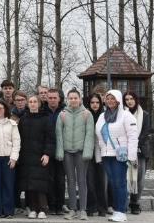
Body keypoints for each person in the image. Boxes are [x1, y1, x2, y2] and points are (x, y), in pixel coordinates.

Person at [95, 90, 139, 223]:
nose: (110, 101)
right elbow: (98, 137)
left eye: (112, 98)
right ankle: (117, 210)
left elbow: (133, 137)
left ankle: (121, 211)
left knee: (120, 183)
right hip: (106, 154)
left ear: (118, 100)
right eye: (107, 98)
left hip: (120, 155)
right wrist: (99, 156)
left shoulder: (126, 115)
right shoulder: (102, 116)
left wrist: (131, 156)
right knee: (113, 183)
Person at [56, 89, 94, 220]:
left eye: (75, 98)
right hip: (67, 152)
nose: (73, 100)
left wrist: (87, 152)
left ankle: (83, 210)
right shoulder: (62, 115)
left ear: (80, 99)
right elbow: (59, 135)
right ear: (67, 100)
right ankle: (72, 209)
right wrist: (60, 151)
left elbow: (90, 135)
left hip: (81, 152)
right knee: (70, 181)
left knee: (82, 180)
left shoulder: (87, 114)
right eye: (70, 98)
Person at [18, 95, 54, 219]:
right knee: (30, 184)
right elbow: (19, 138)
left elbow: (50, 139)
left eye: (35, 102)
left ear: (39, 104)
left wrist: (47, 154)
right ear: (28, 104)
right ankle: (33, 209)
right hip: (26, 156)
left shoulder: (45, 119)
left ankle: (43, 209)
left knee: (40, 184)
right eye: (30, 102)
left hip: (40, 156)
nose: (32, 104)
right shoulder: (23, 119)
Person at [124, 91, 150, 215]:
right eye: (127, 99)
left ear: (135, 99)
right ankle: (123, 203)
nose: (129, 101)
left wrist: (135, 145)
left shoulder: (144, 114)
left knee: (138, 179)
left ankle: (135, 203)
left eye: (131, 98)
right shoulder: (122, 114)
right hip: (125, 151)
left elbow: (145, 132)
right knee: (126, 178)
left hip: (139, 151)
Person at [85, 93, 108, 217]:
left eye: (97, 102)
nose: (95, 105)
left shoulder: (105, 116)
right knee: (90, 182)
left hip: (102, 152)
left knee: (101, 181)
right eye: (92, 102)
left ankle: (102, 208)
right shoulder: (85, 115)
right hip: (88, 152)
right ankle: (91, 207)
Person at [46, 88, 66, 215]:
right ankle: (51, 206)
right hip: (48, 150)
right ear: (47, 99)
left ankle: (60, 205)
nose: (52, 100)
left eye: (55, 98)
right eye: (50, 98)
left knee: (60, 179)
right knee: (50, 179)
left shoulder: (65, 112)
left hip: (61, 149)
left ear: (59, 99)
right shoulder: (43, 112)